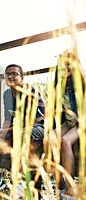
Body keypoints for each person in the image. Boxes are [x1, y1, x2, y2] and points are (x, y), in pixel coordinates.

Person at [0, 64, 45, 198]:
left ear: (22, 78)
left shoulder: (29, 91)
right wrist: (1, 131)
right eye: (7, 74)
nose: (10, 76)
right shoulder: (7, 94)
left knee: (20, 134)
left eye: (14, 73)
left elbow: (33, 121)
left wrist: (10, 130)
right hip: (20, 128)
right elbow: (7, 119)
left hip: (39, 127)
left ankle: (21, 182)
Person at [47, 51, 84, 197]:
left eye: (68, 65)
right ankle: (59, 182)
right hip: (69, 123)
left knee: (65, 141)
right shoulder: (59, 86)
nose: (65, 68)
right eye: (62, 66)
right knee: (49, 139)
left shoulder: (82, 83)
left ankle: (70, 184)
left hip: (82, 121)